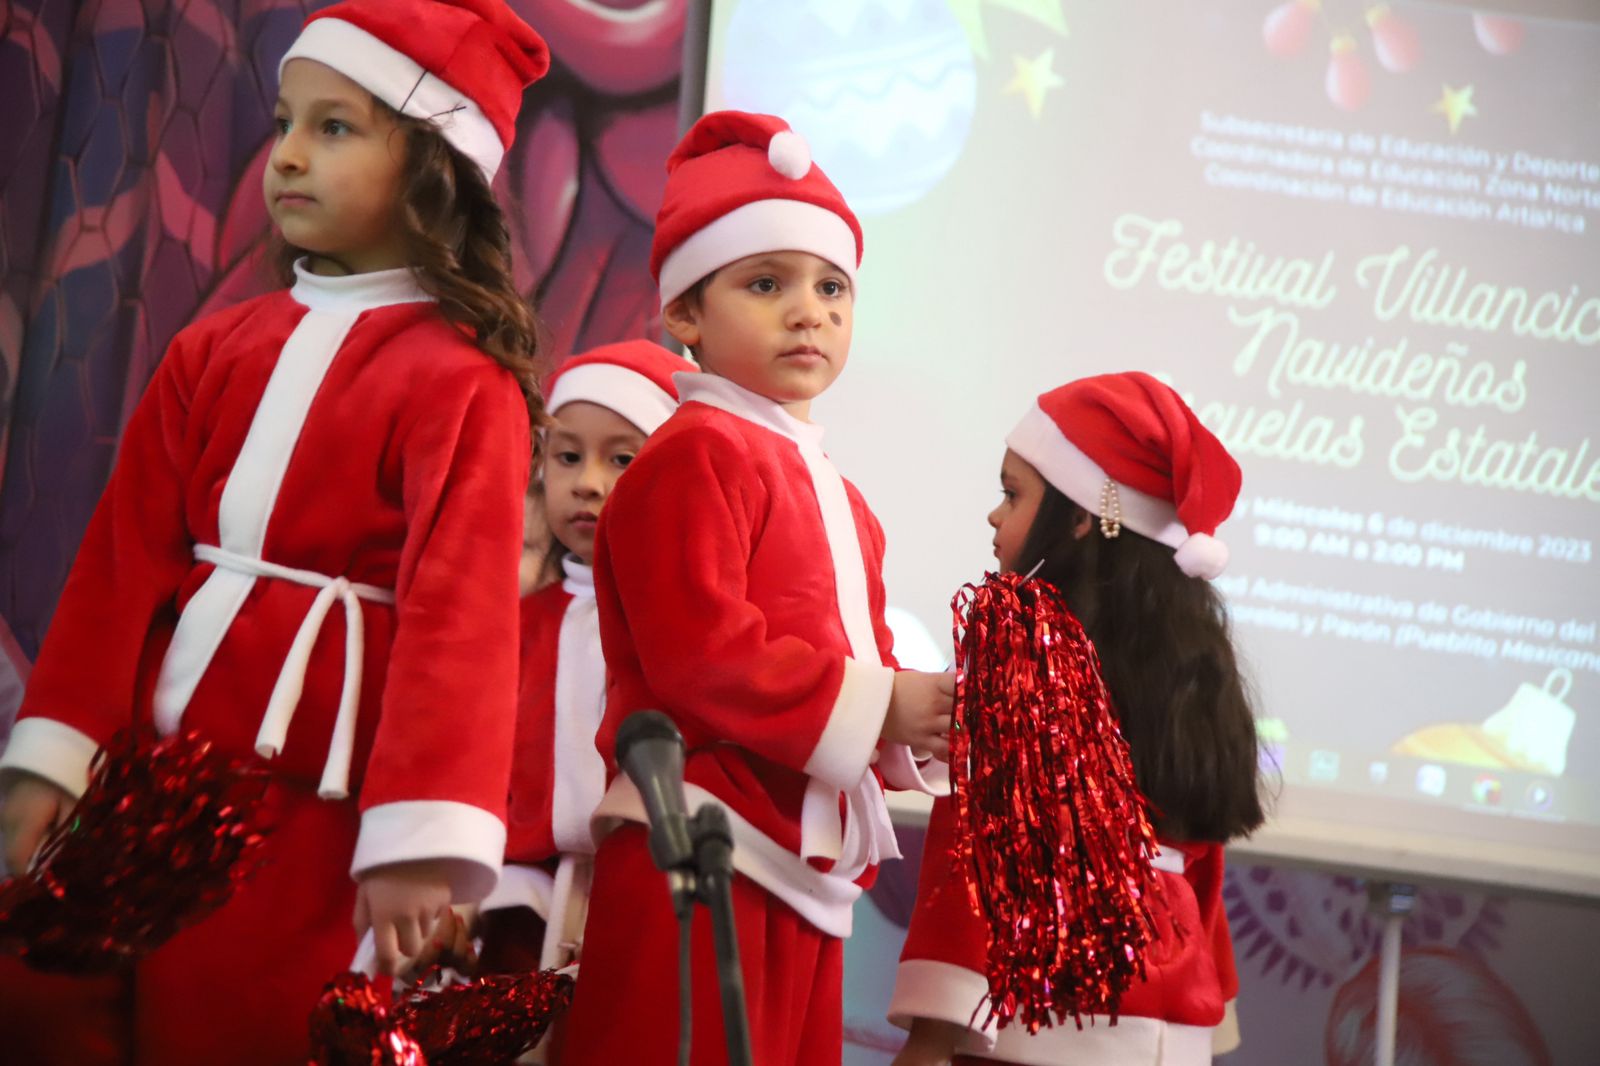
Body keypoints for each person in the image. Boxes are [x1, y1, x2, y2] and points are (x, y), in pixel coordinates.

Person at [0, 2, 548, 1062]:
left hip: (318, 808)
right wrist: (50, 763)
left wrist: (418, 841)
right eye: (287, 122)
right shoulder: (215, 347)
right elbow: (121, 564)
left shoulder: (460, 380)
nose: (287, 154)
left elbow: (460, 623)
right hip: (147, 774)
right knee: (58, 1008)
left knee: (240, 1024)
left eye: (335, 128)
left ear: (433, 165)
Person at [558, 110, 954, 1066]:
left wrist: (934, 716)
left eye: (831, 288)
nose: (808, 310)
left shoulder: (842, 495)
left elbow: (857, 651)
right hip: (696, 840)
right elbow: (703, 655)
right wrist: (884, 704)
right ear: (685, 315)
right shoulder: (689, 455)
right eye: (765, 283)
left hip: (797, 858)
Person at [889, 371, 1264, 1066]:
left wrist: (932, 1035)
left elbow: (976, 857)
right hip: (1171, 1037)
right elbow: (1201, 876)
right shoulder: (1199, 671)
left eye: (1012, 494)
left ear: (1084, 516)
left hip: (1040, 1014)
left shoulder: (1025, 653)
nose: (995, 517)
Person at [469, 340, 696, 981]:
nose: (588, 482)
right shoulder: (512, 625)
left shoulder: (684, 635)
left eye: (622, 458)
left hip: (644, 906)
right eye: (568, 456)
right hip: (512, 914)